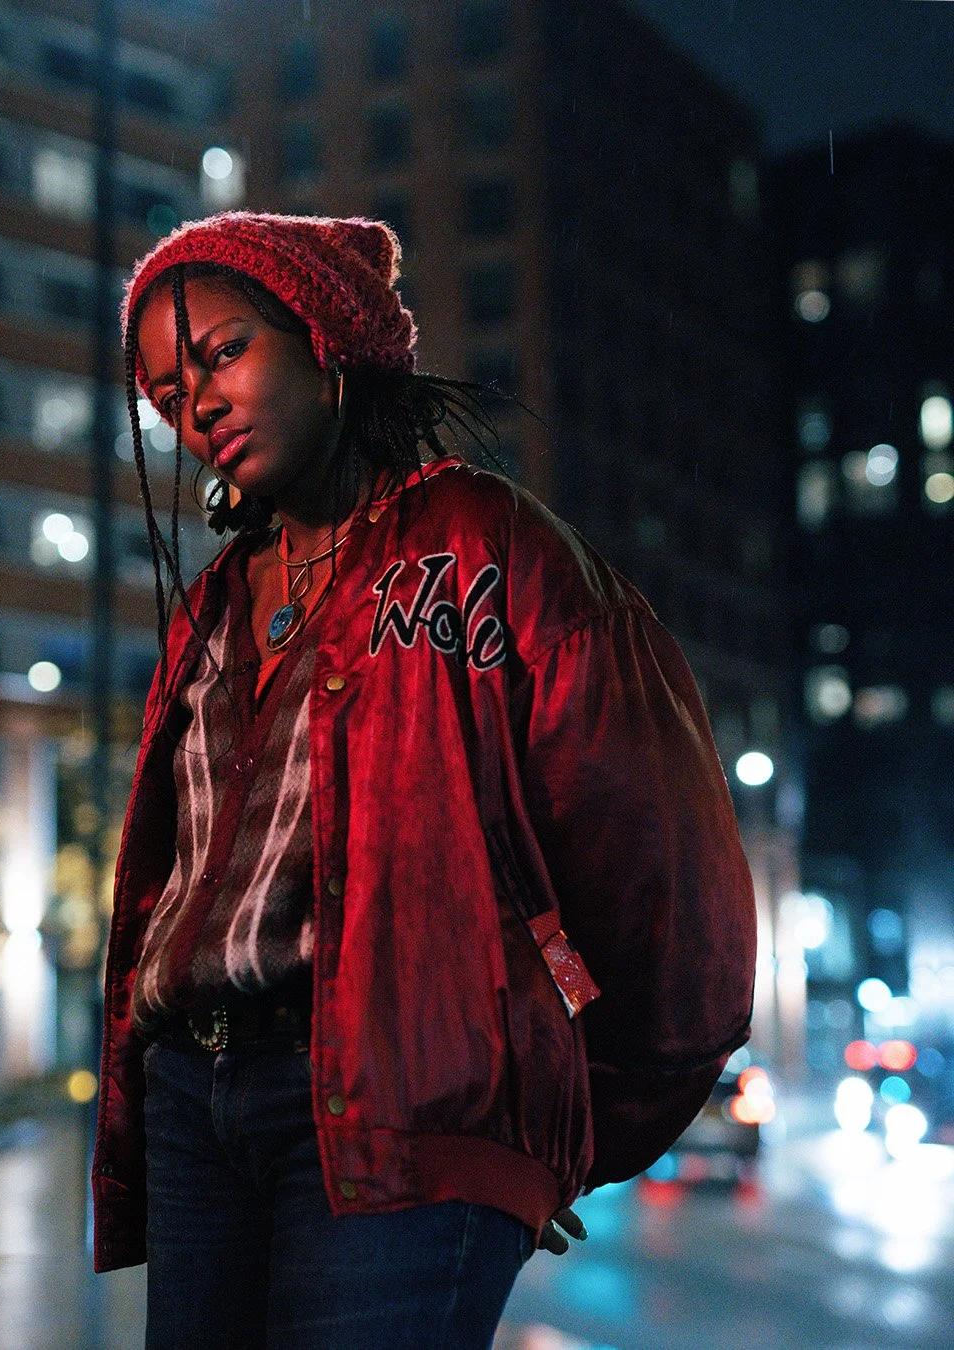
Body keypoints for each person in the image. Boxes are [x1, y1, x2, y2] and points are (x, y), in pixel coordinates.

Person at [91, 211, 757, 1349]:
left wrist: (544, 1126)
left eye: (221, 353)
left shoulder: (491, 547)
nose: (192, 406)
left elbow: (667, 885)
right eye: (162, 394)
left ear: (326, 337)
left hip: (403, 1111)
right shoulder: (207, 611)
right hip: (193, 1109)